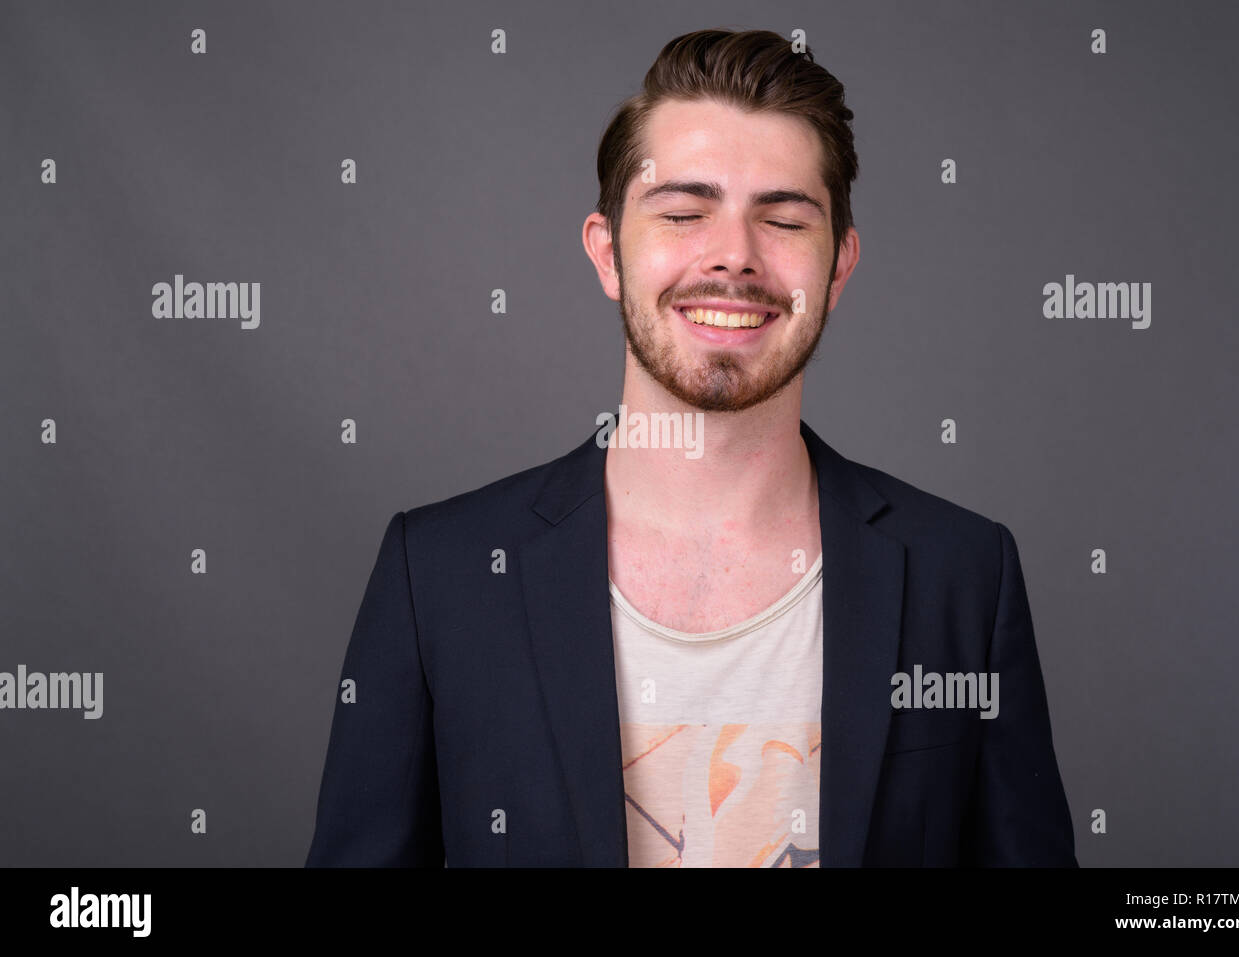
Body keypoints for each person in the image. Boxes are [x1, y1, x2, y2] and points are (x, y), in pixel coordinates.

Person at [305, 28, 1076, 867]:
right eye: (682, 213)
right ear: (608, 252)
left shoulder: (964, 572)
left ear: (839, 268)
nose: (733, 257)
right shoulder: (441, 573)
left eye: (782, 219)